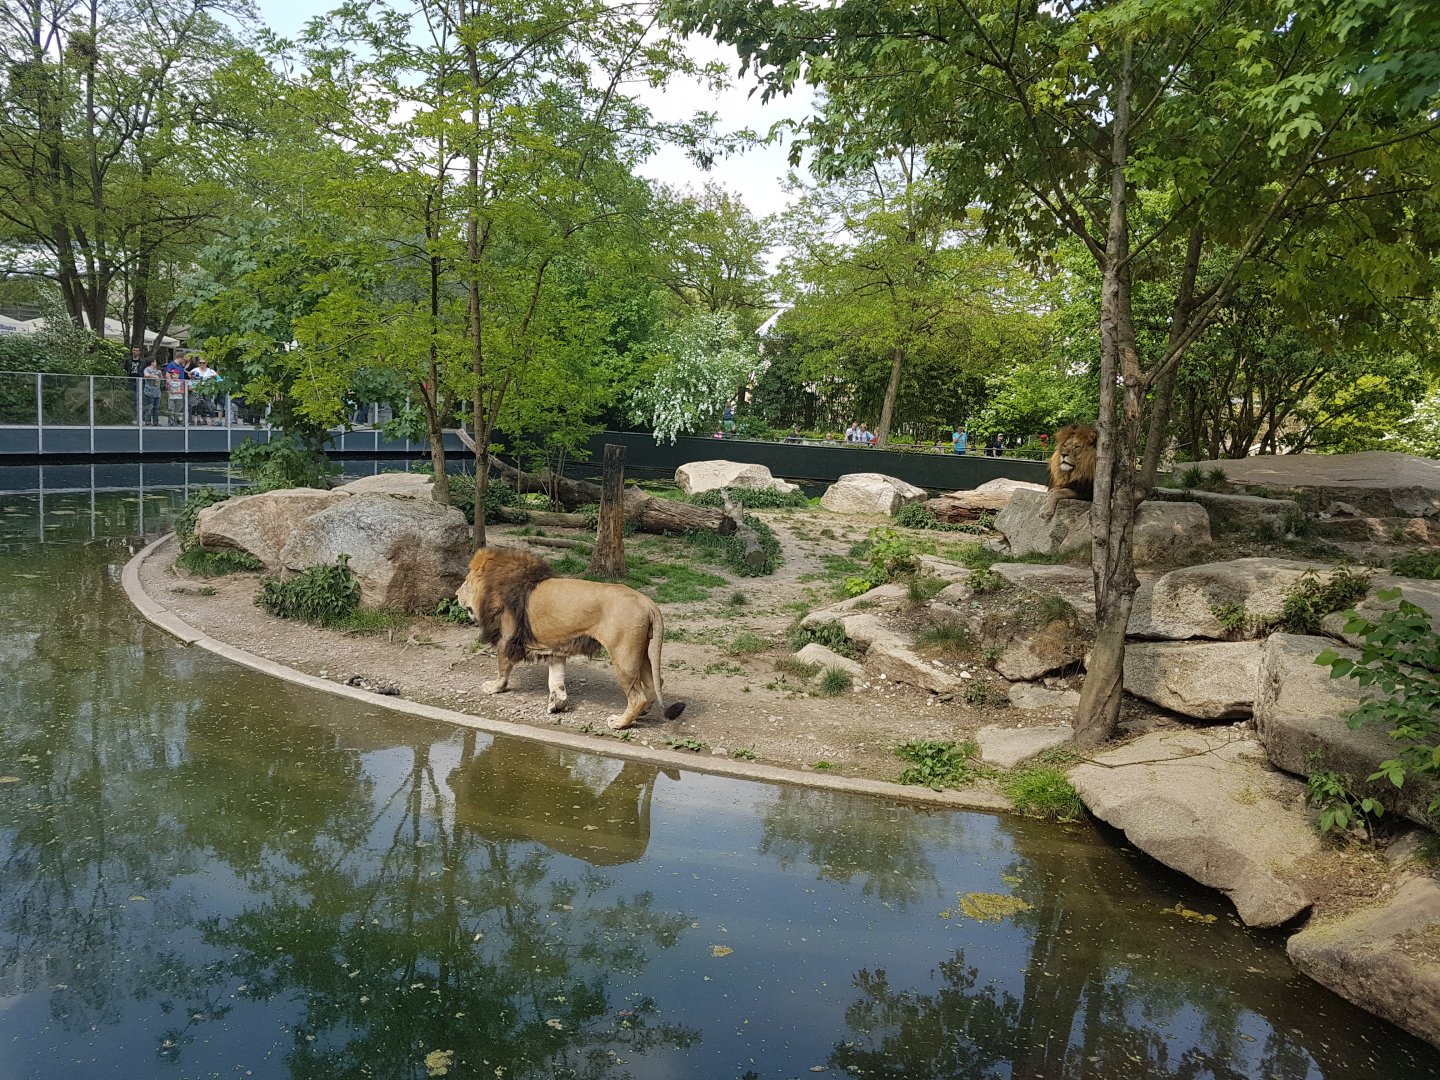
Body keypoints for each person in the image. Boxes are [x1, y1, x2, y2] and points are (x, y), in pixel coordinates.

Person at [164, 356, 188, 425]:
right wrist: (168, 383)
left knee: (177, 409)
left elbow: (182, 390)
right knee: (170, 409)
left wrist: (176, 391)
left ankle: (175, 420)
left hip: (178, 396)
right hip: (171, 397)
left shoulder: (179, 366)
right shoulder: (172, 364)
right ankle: (170, 420)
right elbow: (167, 374)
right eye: (172, 374)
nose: (173, 375)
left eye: (174, 374)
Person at [141, 357, 162, 426]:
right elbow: (146, 375)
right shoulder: (147, 369)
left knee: (157, 408)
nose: (156, 363)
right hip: (149, 391)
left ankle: (156, 422)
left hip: (157, 392)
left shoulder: (156, 370)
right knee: (149, 407)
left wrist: (160, 374)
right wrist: (154, 376)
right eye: (155, 362)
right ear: (152, 362)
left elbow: (161, 379)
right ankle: (148, 422)